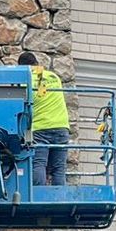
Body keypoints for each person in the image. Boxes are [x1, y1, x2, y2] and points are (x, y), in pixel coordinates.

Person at [19, 50, 70, 187]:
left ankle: (38, 193)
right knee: (59, 167)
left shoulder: (26, 80)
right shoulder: (53, 76)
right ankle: (60, 196)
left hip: (41, 128)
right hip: (61, 126)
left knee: (39, 163)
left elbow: (22, 105)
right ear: (36, 63)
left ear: (22, 67)